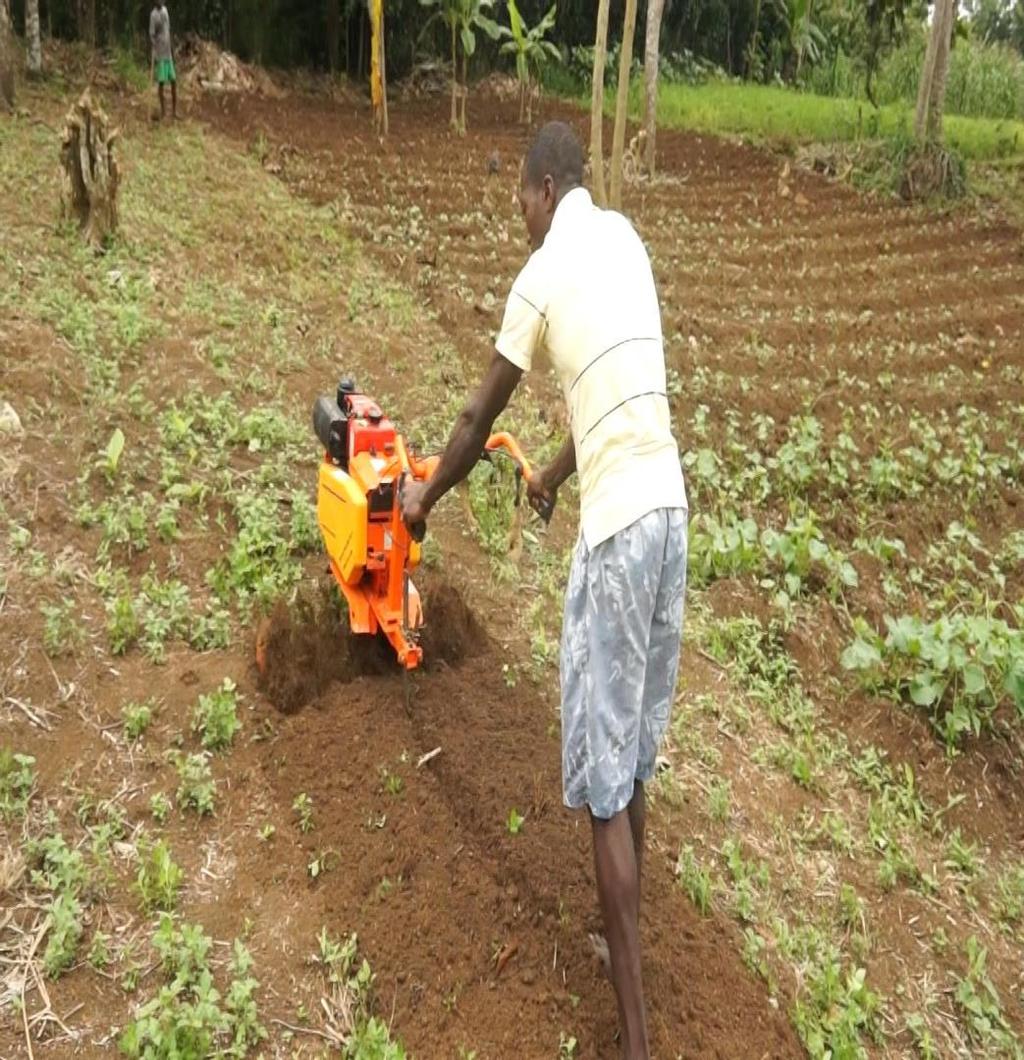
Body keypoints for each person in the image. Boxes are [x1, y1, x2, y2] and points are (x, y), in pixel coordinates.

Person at [400, 121, 688, 1059]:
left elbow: (481, 410)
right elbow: (621, 390)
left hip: (616, 539)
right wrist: (556, 475)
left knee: (603, 787)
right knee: (632, 755)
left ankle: (636, 1038)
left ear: (544, 185)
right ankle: (620, 936)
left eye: (520, 199)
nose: (518, 217)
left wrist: (421, 500)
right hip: (669, 515)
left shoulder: (542, 270)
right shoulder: (626, 239)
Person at [149, 1, 177, 120]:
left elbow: (168, 30)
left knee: (174, 81)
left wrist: (171, 47)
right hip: (160, 53)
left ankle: (174, 112)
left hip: (168, 52)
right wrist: (155, 48)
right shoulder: (153, 15)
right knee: (161, 83)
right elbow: (152, 34)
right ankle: (163, 112)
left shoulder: (165, 10)